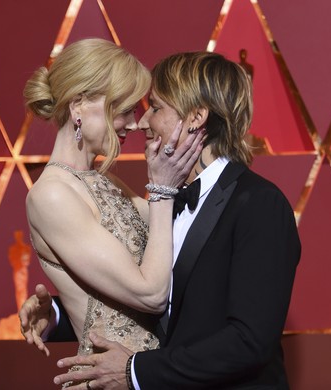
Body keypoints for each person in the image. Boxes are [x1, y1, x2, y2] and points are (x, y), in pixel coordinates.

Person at [22, 51, 301, 389]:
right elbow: (146, 301)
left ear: (196, 117)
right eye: (127, 109)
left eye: (153, 108)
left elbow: (248, 341)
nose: (140, 122)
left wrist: (135, 371)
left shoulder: (258, 204)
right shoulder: (163, 199)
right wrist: (58, 313)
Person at [20, 37, 204, 381]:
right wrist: (162, 191)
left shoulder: (107, 184)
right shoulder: (52, 196)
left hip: (152, 377)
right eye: (125, 110)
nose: (135, 124)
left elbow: (183, 242)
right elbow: (149, 294)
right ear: (78, 105)